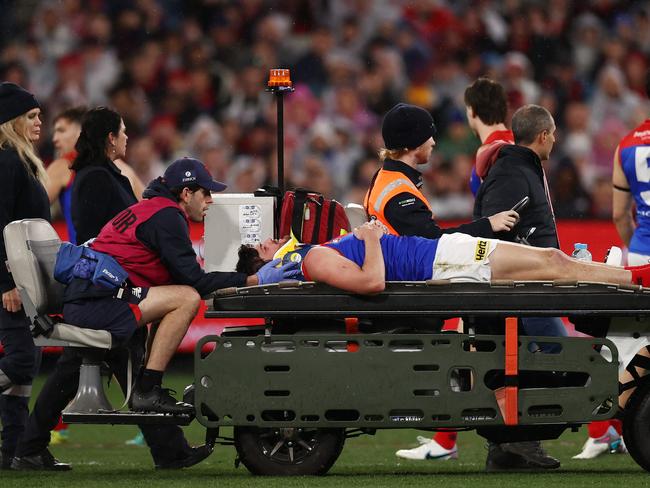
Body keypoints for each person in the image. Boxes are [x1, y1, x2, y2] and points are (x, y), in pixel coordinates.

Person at [12, 157, 299, 471]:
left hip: (95, 300)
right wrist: (252, 280)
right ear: (186, 193)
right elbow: (194, 283)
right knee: (185, 300)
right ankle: (151, 391)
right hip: (97, 304)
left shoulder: (153, 210)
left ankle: (166, 449)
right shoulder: (167, 216)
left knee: (92, 364)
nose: (211, 200)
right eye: (206, 193)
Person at [364, 103, 518, 239]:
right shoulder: (398, 192)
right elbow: (435, 242)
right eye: (427, 137)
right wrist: (488, 225)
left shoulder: (384, 176)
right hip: (405, 271)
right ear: (410, 144)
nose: (433, 142)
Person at [0, 82, 50, 469]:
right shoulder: (6, 161)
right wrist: (9, 283)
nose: (39, 122)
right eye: (31, 116)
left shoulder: (21, 159)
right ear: (11, 121)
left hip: (25, 279)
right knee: (19, 361)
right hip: (12, 281)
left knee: (26, 363)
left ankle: (13, 449)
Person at [46, 107, 145, 245]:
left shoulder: (68, 167)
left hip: (112, 258)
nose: (55, 139)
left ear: (80, 131)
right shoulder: (108, 171)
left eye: (61, 130)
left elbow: (145, 211)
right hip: (110, 259)